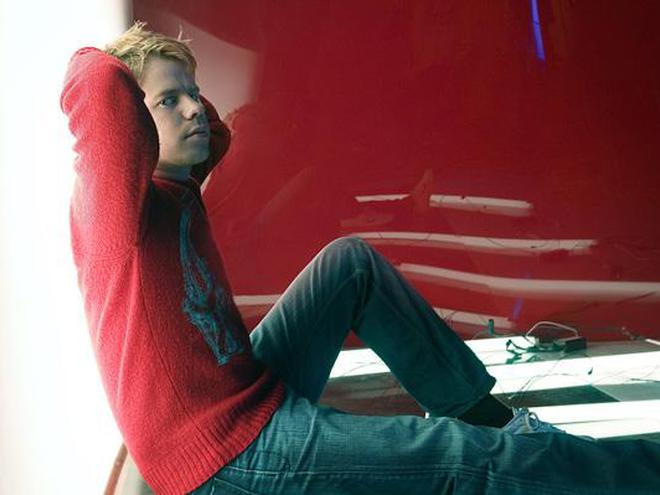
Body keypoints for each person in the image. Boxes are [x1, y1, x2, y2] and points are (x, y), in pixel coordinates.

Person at [61, 21, 660, 495]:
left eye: (193, 94)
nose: (194, 108)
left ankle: (490, 418)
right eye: (169, 101)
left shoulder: (176, 188)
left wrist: (174, 94)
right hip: (223, 456)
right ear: (130, 124)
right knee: (460, 456)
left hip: (236, 395)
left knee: (348, 264)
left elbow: (217, 134)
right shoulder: (113, 213)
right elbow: (97, 86)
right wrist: (123, 63)